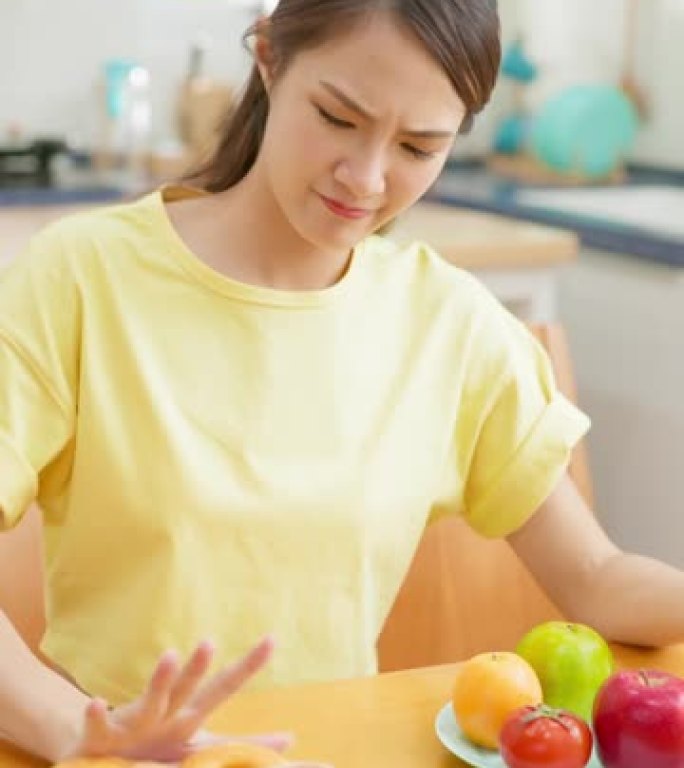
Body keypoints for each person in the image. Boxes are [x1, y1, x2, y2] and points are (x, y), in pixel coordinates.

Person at [2, 0, 684, 763]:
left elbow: (596, 576)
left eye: (419, 147)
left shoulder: (448, 324)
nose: (365, 178)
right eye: (336, 117)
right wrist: (73, 729)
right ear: (268, 59)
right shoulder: (82, 278)